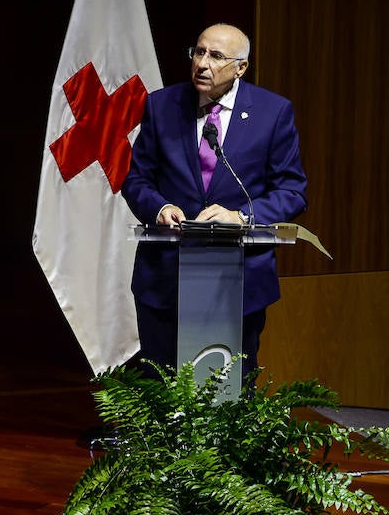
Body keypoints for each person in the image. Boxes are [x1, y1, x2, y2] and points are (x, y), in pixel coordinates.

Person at [122, 23, 308, 386]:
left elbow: (292, 191)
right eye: (199, 51)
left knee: (229, 387)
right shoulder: (162, 106)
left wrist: (242, 216)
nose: (202, 63)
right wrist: (160, 208)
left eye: (217, 56)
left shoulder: (273, 113)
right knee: (160, 387)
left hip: (237, 278)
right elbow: (136, 179)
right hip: (166, 275)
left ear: (241, 67)